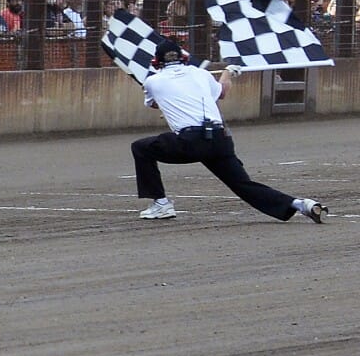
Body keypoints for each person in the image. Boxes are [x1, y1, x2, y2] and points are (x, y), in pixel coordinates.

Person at [131, 39, 328, 223]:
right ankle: (300, 204)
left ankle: (161, 204)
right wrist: (227, 73)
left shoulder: (152, 81)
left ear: (157, 61)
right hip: (220, 138)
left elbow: (155, 104)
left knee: (141, 148)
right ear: (183, 57)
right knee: (243, 184)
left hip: (189, 141)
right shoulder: (200, 73)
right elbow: (222, 92)